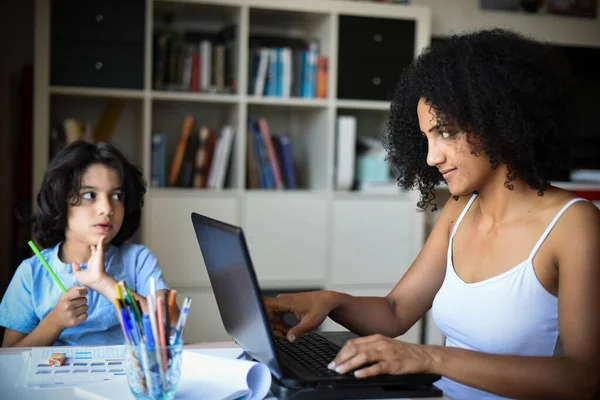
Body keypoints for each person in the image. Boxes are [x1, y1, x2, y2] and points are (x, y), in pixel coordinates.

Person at [264, 29, 600, 399]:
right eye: (427, 138)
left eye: (445, 133)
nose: (431, 157)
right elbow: (395, 311)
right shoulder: (460, 209)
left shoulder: (573, 225)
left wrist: (428, 357)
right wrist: (331, 301)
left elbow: (584, 377)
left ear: (497, 121)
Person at [0, 141, 179, 347]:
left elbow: (171, 326)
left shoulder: (138, 260)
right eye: (89, 195)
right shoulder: (31, 274)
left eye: (117, 196)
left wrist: (104, 283)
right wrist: (54, 323)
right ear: (60, 199)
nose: (106, 209)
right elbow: (8, 359)